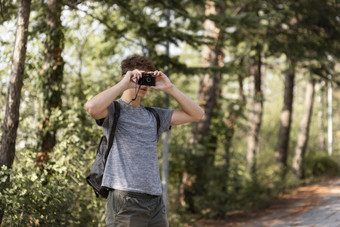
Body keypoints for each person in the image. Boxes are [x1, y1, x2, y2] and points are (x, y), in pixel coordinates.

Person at [85, 55, 204, 226]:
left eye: (148, 79)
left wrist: (170, 88)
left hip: (155, 201)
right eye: (140, 77)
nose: (145, 84)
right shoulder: (114, 110)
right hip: (125, 200)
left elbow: (197, 114)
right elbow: (91, 107)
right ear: (126, 77)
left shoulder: (154, 116)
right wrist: (125, 83)